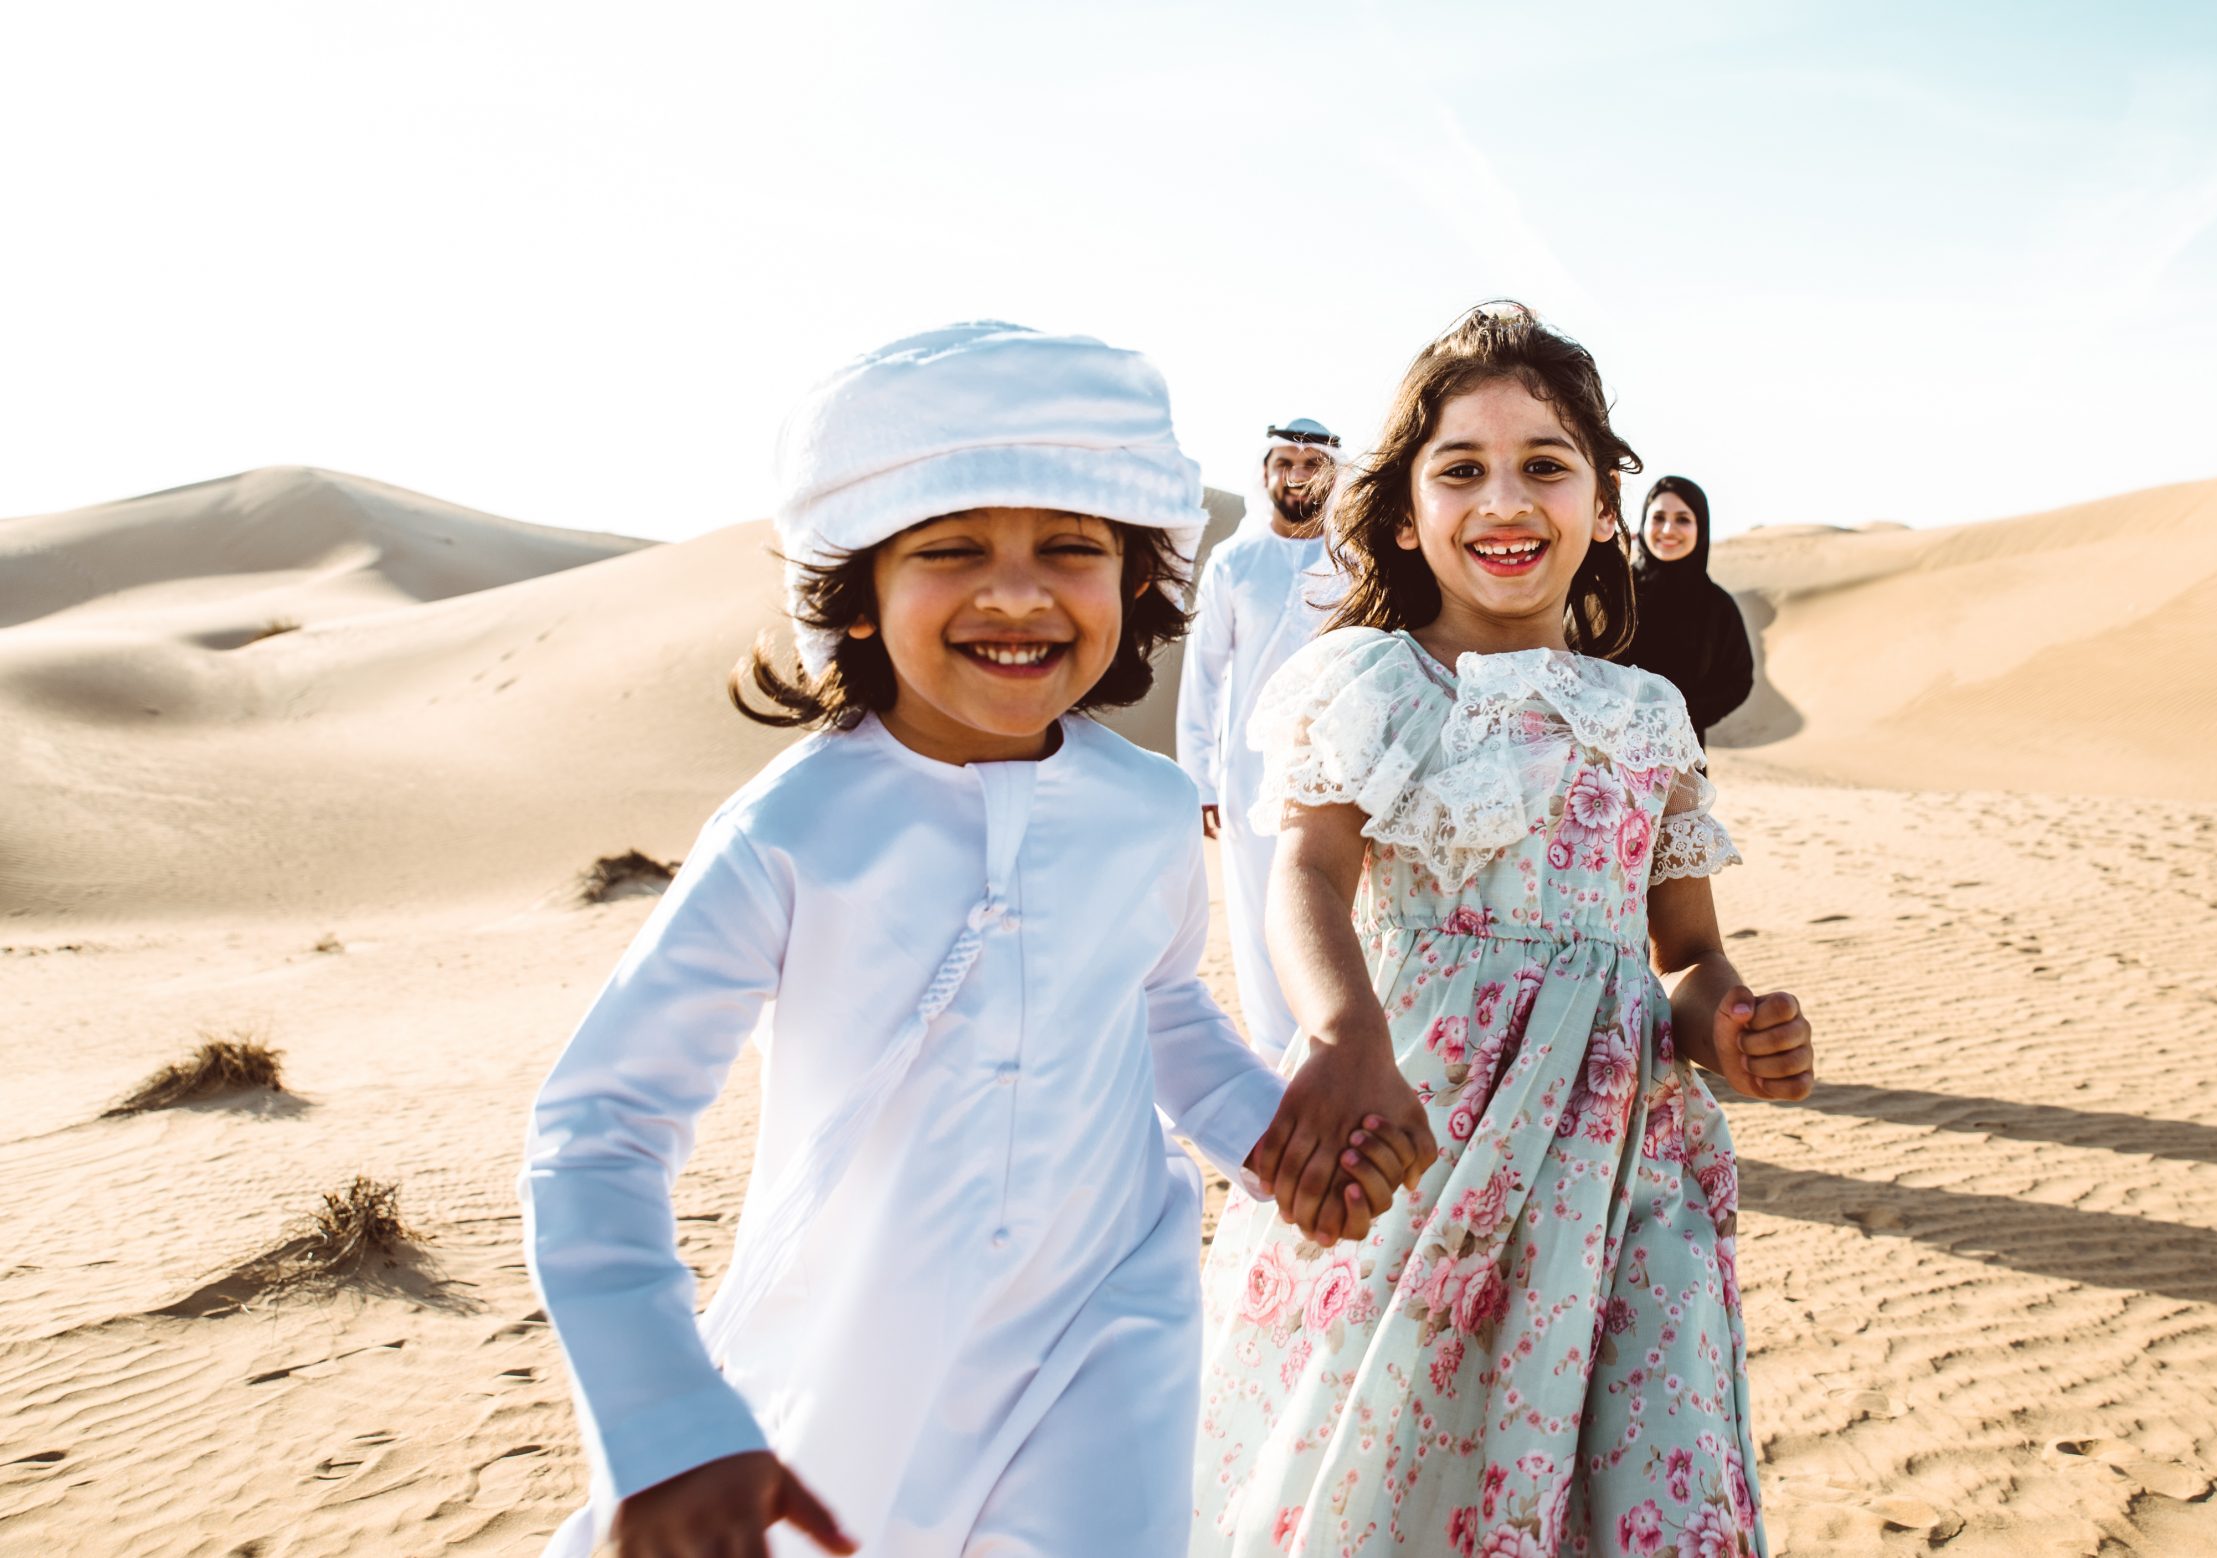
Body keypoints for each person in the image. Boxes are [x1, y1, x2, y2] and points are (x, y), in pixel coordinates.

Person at [519, 324, 1425, 1558]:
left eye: (1071, 546)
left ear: (1137, 579)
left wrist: (1278, 1147)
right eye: (951, 549)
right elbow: (597, 1131)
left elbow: (1158, 1011)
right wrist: (661, 1416)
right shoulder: (795, 827)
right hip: (862, 1344)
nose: (1016, 591)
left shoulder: (1151, 808)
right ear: (856, 587)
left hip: (1107, 1328)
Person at [1192, 305, 1816, 1557]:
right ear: (1407, 510)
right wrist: (1342, 1030)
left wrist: (1730, 1027)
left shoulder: (1646, 714)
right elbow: (1307, 872)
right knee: (1397, 1456)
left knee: (1642, 1476)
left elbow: (1684, 952)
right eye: (1460, 468)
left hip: (1623, 1172)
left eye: (1546, 464)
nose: (1504, 499)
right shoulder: (1367, 679)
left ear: (1601, 505)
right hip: (1418, 1132)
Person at [1176, 416, 1344, 1062]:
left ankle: (1331, 1057)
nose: (1298, 476)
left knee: (1335, 919)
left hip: (1337, 776)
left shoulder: (1354, 562)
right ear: (1266, 472)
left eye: (1311, 464)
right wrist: (1200, 780)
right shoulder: (1234, 563)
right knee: (1257, 923)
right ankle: (1279, 1070)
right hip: (1247, 782)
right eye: (1286, 463)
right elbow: (1203, 681)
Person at [1623, 474, 1755, 735]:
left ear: (1701, 527)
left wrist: (1679, 717)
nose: (1668, 530)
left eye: (1682, 519)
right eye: (1659, 518)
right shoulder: (1614, 592)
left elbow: (1738, 680)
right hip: (1602, 755)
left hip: (1681, 757)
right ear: (1644, 523)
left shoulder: (1717, 606)